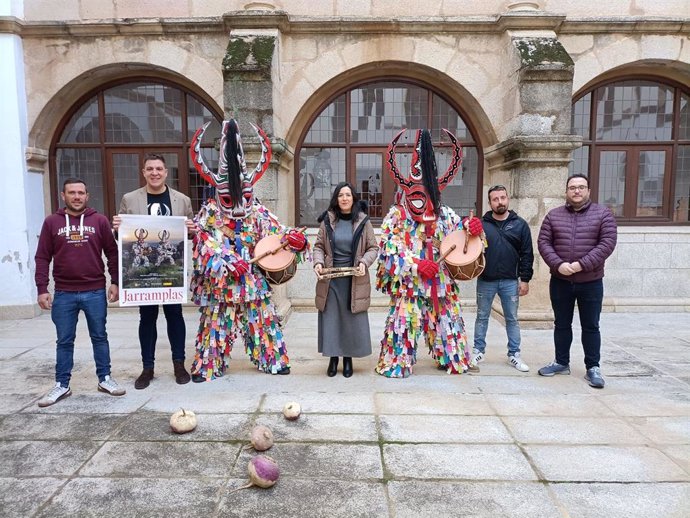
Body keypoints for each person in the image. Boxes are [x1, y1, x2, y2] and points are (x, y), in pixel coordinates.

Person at [188, 118, 310, 381]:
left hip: (253, 283)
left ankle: (272, 360)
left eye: (245, 197)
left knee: (263, 321)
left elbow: (278, 235)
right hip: (221, 286)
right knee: (215, 324)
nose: (240, 206)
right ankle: (209, 364)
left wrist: (295, 241)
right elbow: (203, 244)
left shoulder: (258, 212)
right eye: (231, 199)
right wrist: (229, 261)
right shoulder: (209, 213)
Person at [375, 128, 484, 378]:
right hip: (410, 286)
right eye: (415, 194)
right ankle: (398, 361)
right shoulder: (396, 216)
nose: (420, 199)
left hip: (441, 283)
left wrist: (473, 230)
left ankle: (451, 357)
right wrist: (415, 265)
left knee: (447, 319)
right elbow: (389, 249)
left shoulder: (445, 214)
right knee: (403, 321)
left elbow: (461, 235)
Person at [35, 178, 125, 407]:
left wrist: (115, 282)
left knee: (99, 336)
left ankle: (105, 378)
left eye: (81, 193)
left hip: (94, 290)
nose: (77, 196)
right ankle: (62, 384)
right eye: (72, 193)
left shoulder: (99, 221)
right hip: (64, 292)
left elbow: (113, 253)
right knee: (64, 340)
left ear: (87, 196)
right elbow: (43, 257)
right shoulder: (51, 223)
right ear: (63, 196)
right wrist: (42, 288)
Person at [113, 153, 195, 389]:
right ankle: (147, 367)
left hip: (170, 275)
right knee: (147, 318)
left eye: (159, 168)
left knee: (175, 316)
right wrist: (117, 229)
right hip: (144, 277)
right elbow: (122, 237)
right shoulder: (130, 199)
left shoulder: (182, 200)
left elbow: (190, 234)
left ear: (166, 172)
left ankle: (179, 364)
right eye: (150, 169)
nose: (155, 173)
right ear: (144, 172)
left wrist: (191, 229)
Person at [537, 174, 617, 388]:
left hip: (590, 281)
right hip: (560, 280)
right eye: (572, 187)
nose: (577, 191)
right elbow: (544, 242)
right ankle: (561, 362)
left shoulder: (603, 215)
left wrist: (581, 264)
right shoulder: (553, 216)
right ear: (566, 191)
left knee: (591, 325)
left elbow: (607, 244)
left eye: (581, 187)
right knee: (561, 324)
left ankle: (593, 367)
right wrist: (558, 264)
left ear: (589, 191)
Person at [313, 182, 378, 377]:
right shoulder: (327, 220)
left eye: (348, 195)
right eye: (341, 195)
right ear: (336, 198)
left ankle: (347, 358)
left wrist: (364, 263)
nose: (344, 198)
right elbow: (318, 246)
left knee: (350, 319)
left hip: (353, 279)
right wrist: (318, 263)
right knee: (332, 318)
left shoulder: (363, 221)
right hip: (331, 279)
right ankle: (333, 358)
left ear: (353, 198)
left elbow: (373, 248)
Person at [471, 185, 534, 372]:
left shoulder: (520, 224)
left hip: (510, 281)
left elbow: (527, 253)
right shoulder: (481, 225)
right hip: (486, 279)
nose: (500, 202)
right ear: (490, 203)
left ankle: (514, 354)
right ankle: (478, 351)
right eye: (495, 199)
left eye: (503, 198)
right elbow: (471, 248)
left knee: (512, 318)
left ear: (508, 199)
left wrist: (525, 279)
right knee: (482, 316)